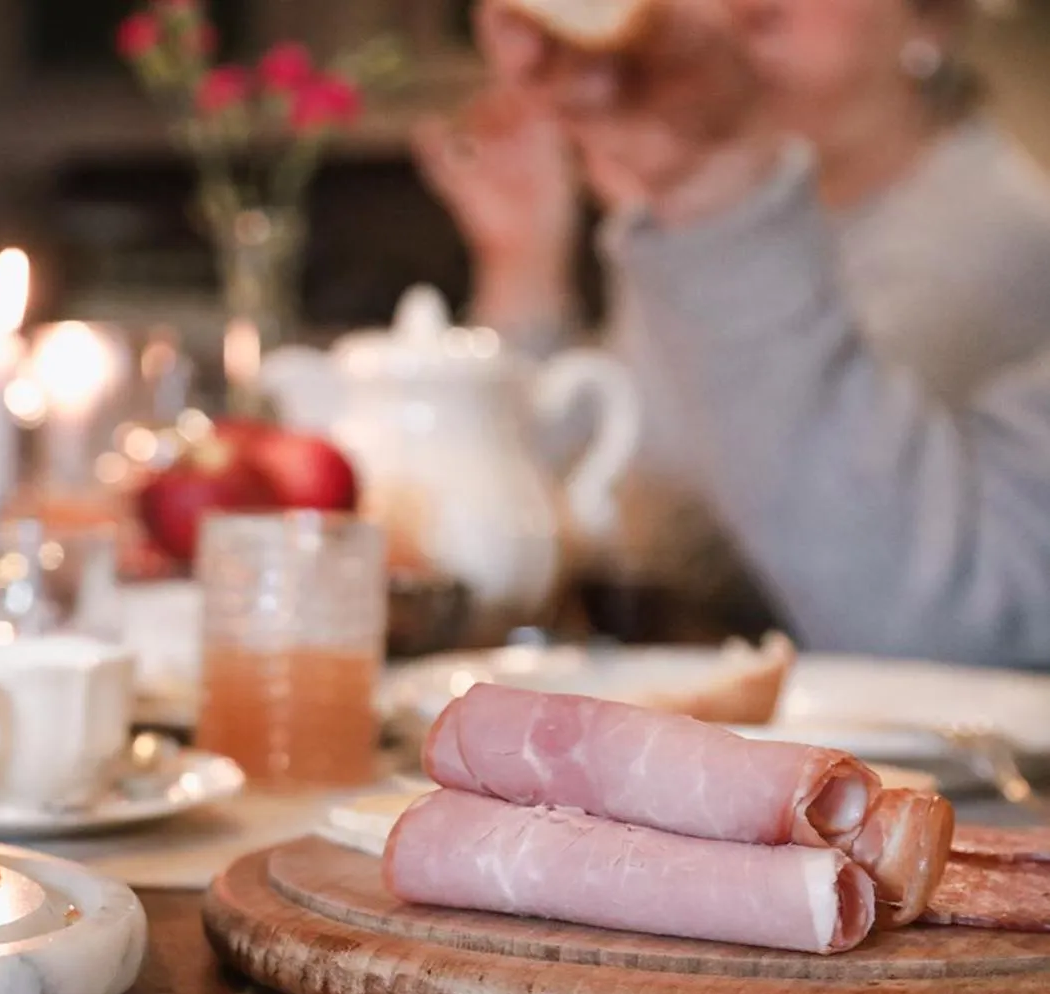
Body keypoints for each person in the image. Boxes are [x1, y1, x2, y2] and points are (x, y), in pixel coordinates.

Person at [415, 0, 1050, 667]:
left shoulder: (991, 242)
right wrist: (523, 264)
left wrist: (702, 194)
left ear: (932, 18)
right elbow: (590, 465)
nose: (748, 8)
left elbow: (705, 537)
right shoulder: (739, 218)